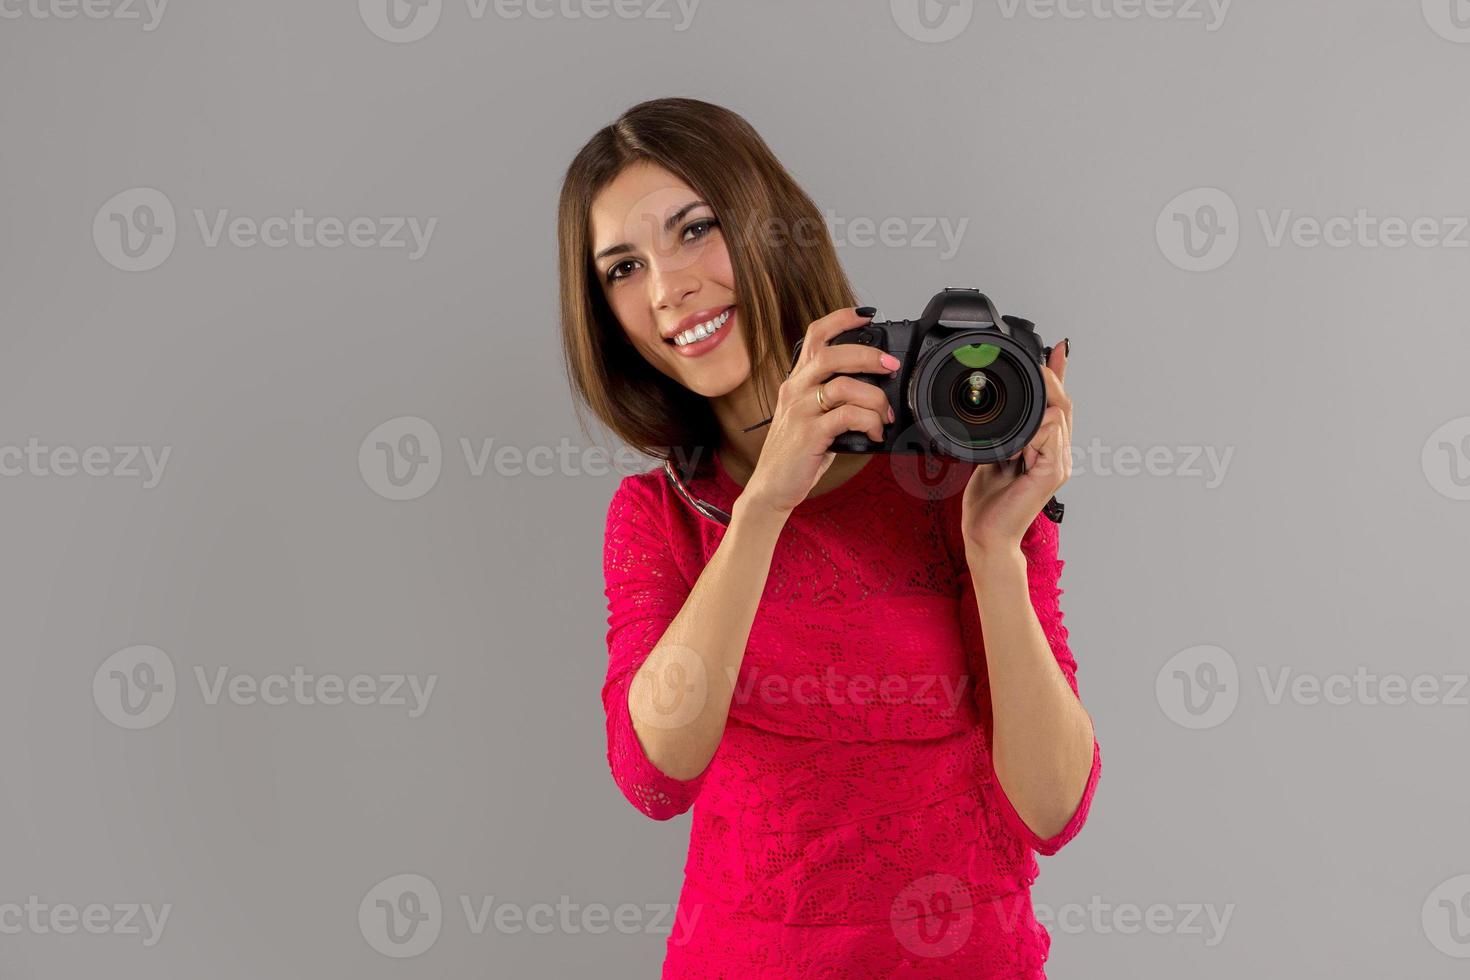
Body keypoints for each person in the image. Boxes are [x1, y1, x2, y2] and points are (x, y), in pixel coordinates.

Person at [558, 96, 1101, 978]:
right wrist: (764, 504)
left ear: (769, 227)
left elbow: (1053, 813)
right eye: (622, 267)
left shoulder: (954, 475)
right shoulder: (661, 515)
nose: (667, 288)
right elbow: (654, 778)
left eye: (695, 230)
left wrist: (996, 553)